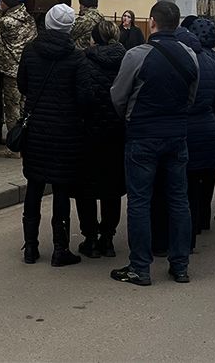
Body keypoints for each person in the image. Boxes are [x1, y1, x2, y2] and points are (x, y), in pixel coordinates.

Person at [109, 1, 198, 286]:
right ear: (177, 23)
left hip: (143, 136)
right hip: (177, 135)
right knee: (178, 200)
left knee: (139, 201)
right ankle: (180, 265)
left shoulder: (137, 55)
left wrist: (131, 117)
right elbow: (190, 97)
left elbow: (118, 96)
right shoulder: (189, 55)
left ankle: (140, 267)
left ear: (153, 23)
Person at [18, 3, 86, 267]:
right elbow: (83, 96)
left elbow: (22, 84)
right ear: (69, 28)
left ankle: (31, 248)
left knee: (34, 185)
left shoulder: (30, 50)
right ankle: (60, 249)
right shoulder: (77, 57)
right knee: (60, 188)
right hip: (65, 132)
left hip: (35, 129)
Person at [75, 19, 127, 258]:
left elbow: (82, 97)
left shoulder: (85, 60)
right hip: (117, 133)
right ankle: (108, 238)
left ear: (93, 38)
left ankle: (90, 238)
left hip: (89, 132)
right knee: (112, 189)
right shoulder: (126, 60)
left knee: (86, 188)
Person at [181, 18, 215, 250]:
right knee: (206, 176)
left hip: (188, 129)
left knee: (187, 181)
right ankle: (202, 219)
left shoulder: (187, 59)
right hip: (211, 127)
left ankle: (189, 228)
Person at [0, 0, 36, 159]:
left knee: (11, 108)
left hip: (10, 70)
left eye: (0, 1)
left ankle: (13, 147)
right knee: (24, 106)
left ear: (6, 3)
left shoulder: (6, 21)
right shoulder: (29, 19)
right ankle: (26, 142)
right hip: (26, 68)